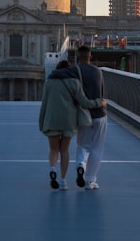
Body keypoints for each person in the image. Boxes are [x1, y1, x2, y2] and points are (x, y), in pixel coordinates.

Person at [38, 59, 105, 190]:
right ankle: (63, 181)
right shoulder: (74, 82)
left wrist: (41, 123)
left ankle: (53, 169)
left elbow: (44, 104)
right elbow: (84, 102)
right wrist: (99, 103)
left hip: (51, 120)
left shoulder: (49, 82)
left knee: (53, 149)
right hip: (68, 121)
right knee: (64, 150)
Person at [74, 45, 107, 190]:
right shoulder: (98, 72)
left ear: (77, 56)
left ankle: (81, 164)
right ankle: (91, 180)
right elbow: (102, 93)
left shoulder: (74, 71)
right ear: (90, 56)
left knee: (82, 145)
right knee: (97, 148)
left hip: (83, 114)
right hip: (99, 114)